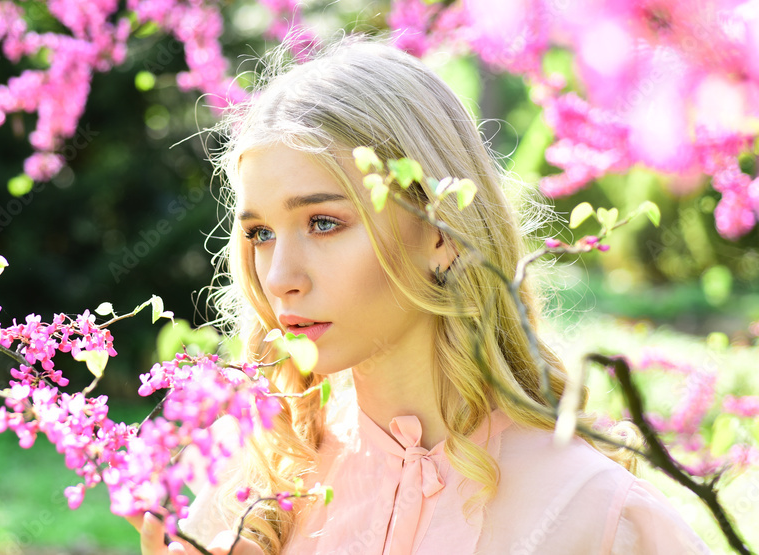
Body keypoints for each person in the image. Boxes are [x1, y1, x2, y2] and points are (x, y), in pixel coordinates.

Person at [135, 37, 712, 554]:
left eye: (323, 223)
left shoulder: (594, 512)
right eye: (260, 234)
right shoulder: (254, 488)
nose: (281, 276)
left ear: (441, 232)